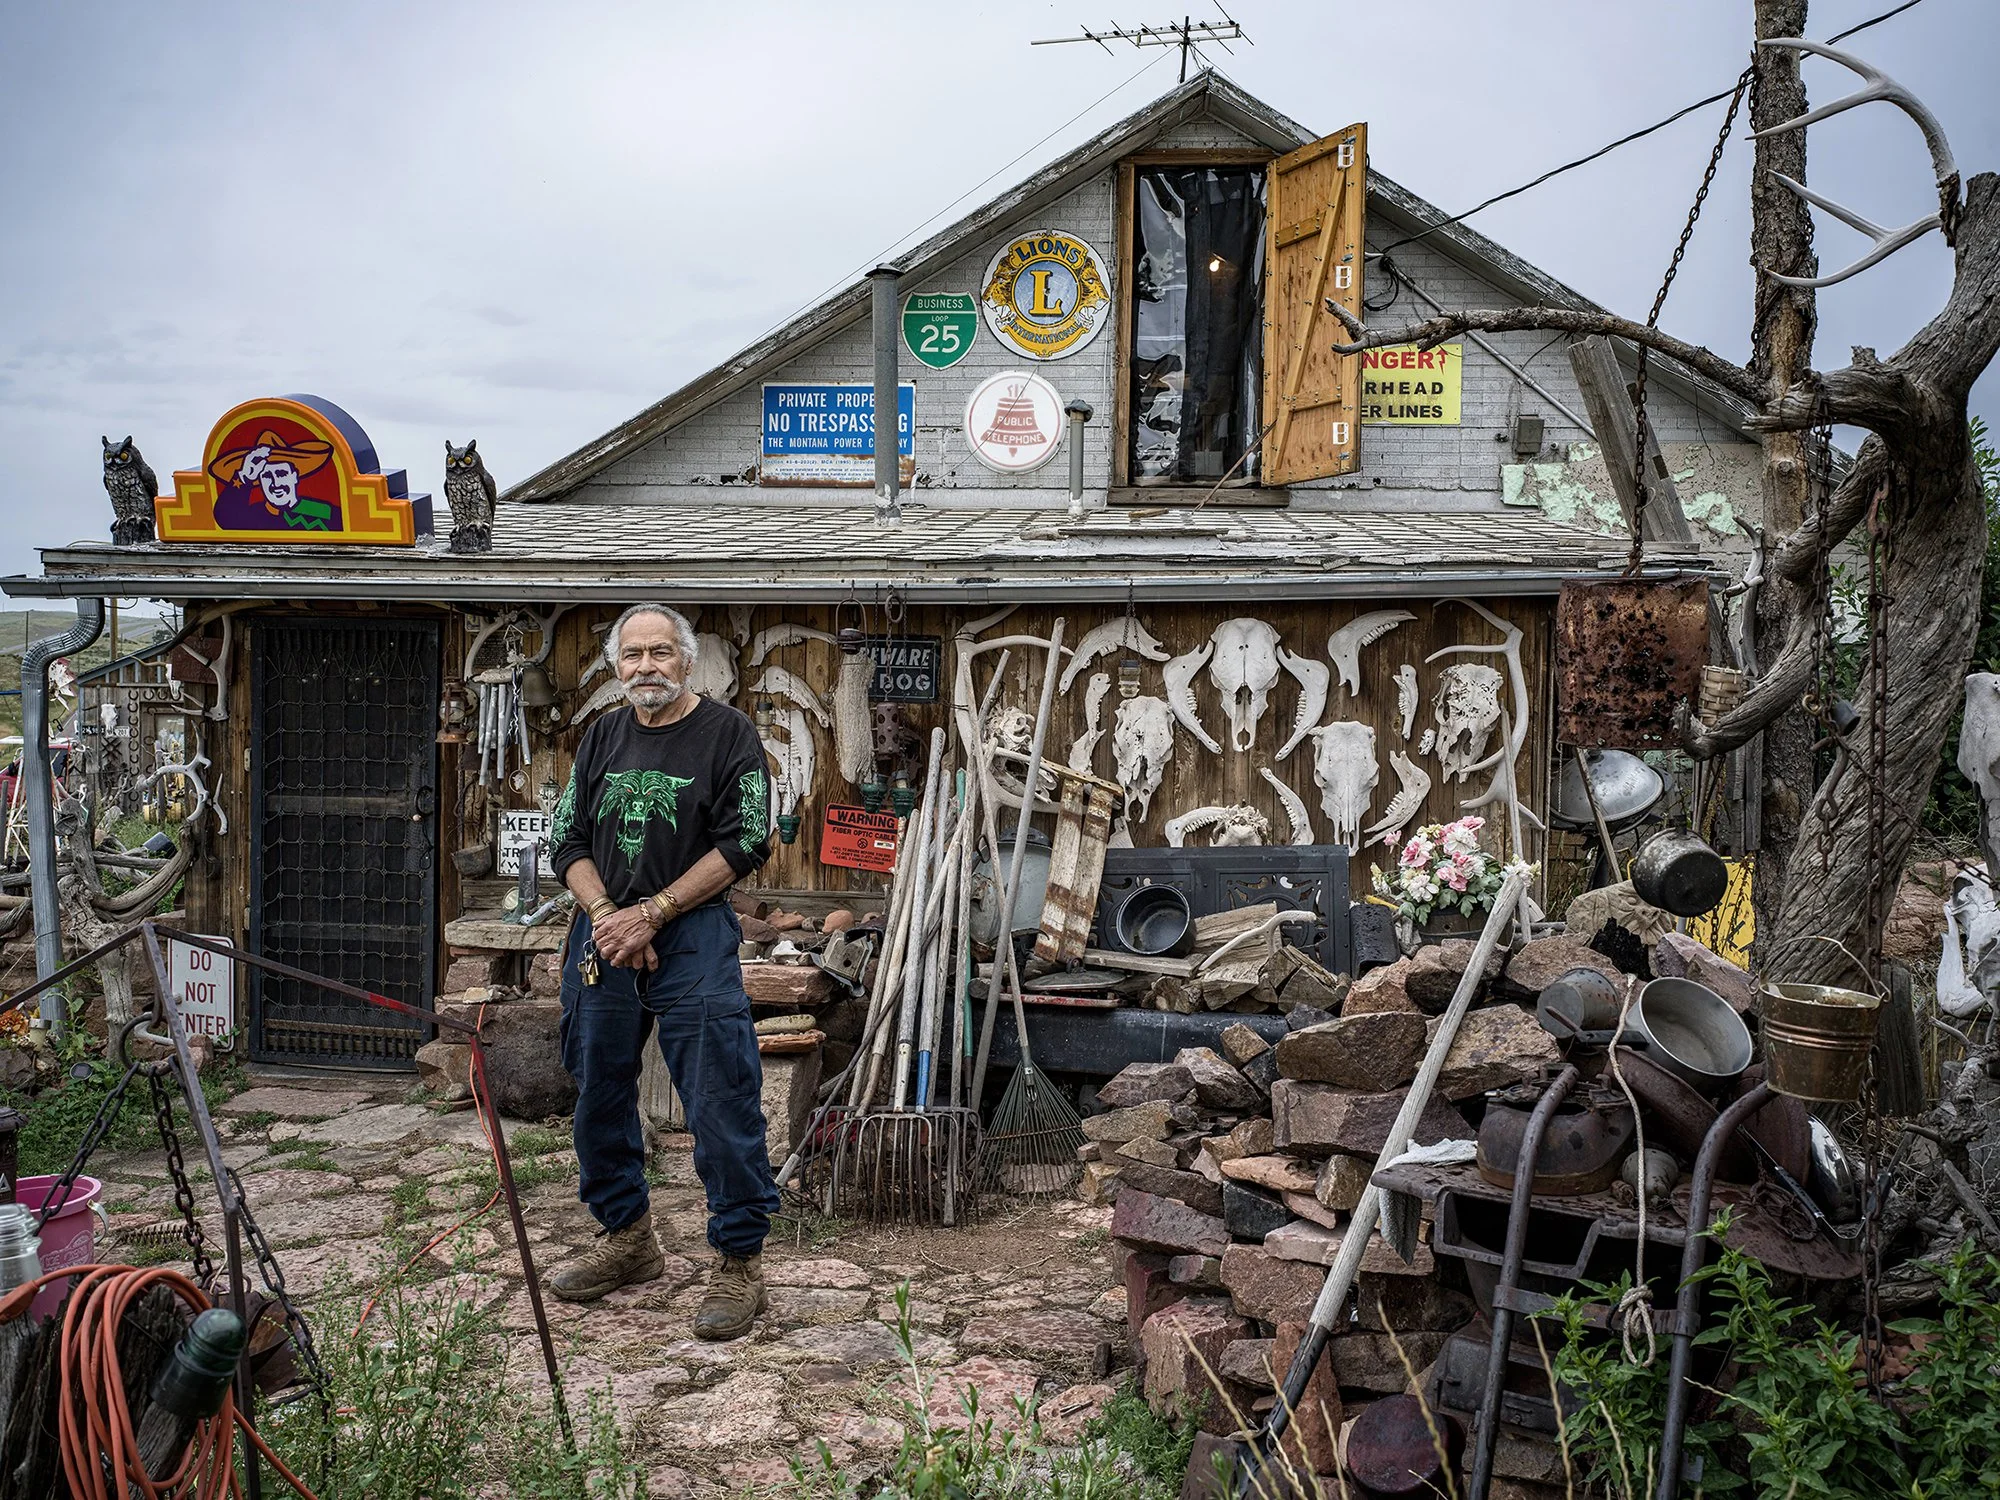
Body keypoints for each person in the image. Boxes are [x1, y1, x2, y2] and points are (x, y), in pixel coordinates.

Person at [546, 602, 780, 1339]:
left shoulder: (727, 734)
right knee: (598, 1090)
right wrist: (615, 916)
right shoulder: (602, 737)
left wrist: (654, 913)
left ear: (687, 660)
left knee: (720, 1097)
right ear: (617, 667)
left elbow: (746, 839)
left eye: (660, 653)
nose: (645, 667)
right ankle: (628, 1237)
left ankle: (739, 1260)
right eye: (632, 655)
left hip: (693, 933)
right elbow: (566, 839)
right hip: (604, 935)